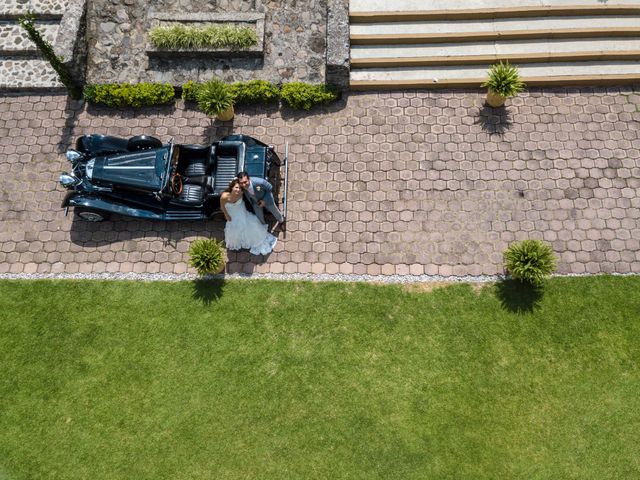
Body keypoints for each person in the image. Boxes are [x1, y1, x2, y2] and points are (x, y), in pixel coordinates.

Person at [221, 179, 278, 255]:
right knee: (234, 229)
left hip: (242, 212)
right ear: (232, 187)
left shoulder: (241, 193)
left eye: (240, 188)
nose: (238, 190)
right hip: (232, 215)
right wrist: (226, 214)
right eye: (236, 187)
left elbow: (250, 188)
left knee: (250, 226)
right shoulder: (224, 196)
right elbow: (222, 207)